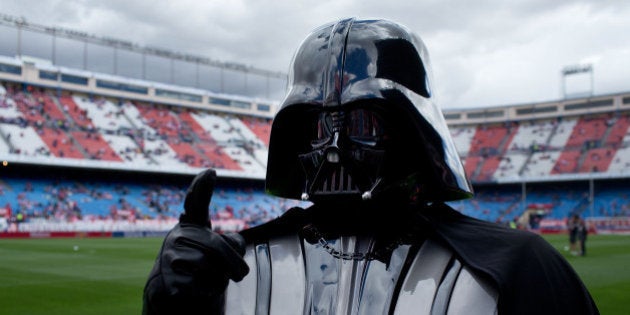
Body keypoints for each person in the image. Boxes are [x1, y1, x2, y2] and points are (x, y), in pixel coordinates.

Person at [143, 18, 598, 314]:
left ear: (412, 133)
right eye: (319, 128)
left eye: (363, 122)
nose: (335, 147)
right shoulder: (237, 266)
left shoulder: (516, 268)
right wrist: (169, 304)